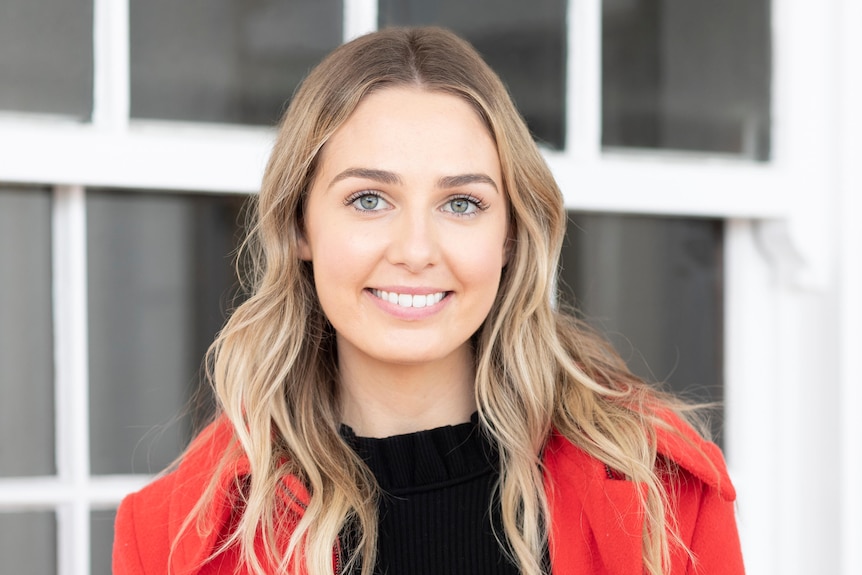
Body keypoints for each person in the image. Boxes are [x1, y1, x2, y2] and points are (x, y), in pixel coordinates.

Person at [112, 26, 744, 575]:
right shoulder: (171, 539)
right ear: (301, 226)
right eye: (368, 199)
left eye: (461, 203)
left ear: (509, 236)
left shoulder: (661, 493)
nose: (416, 250)